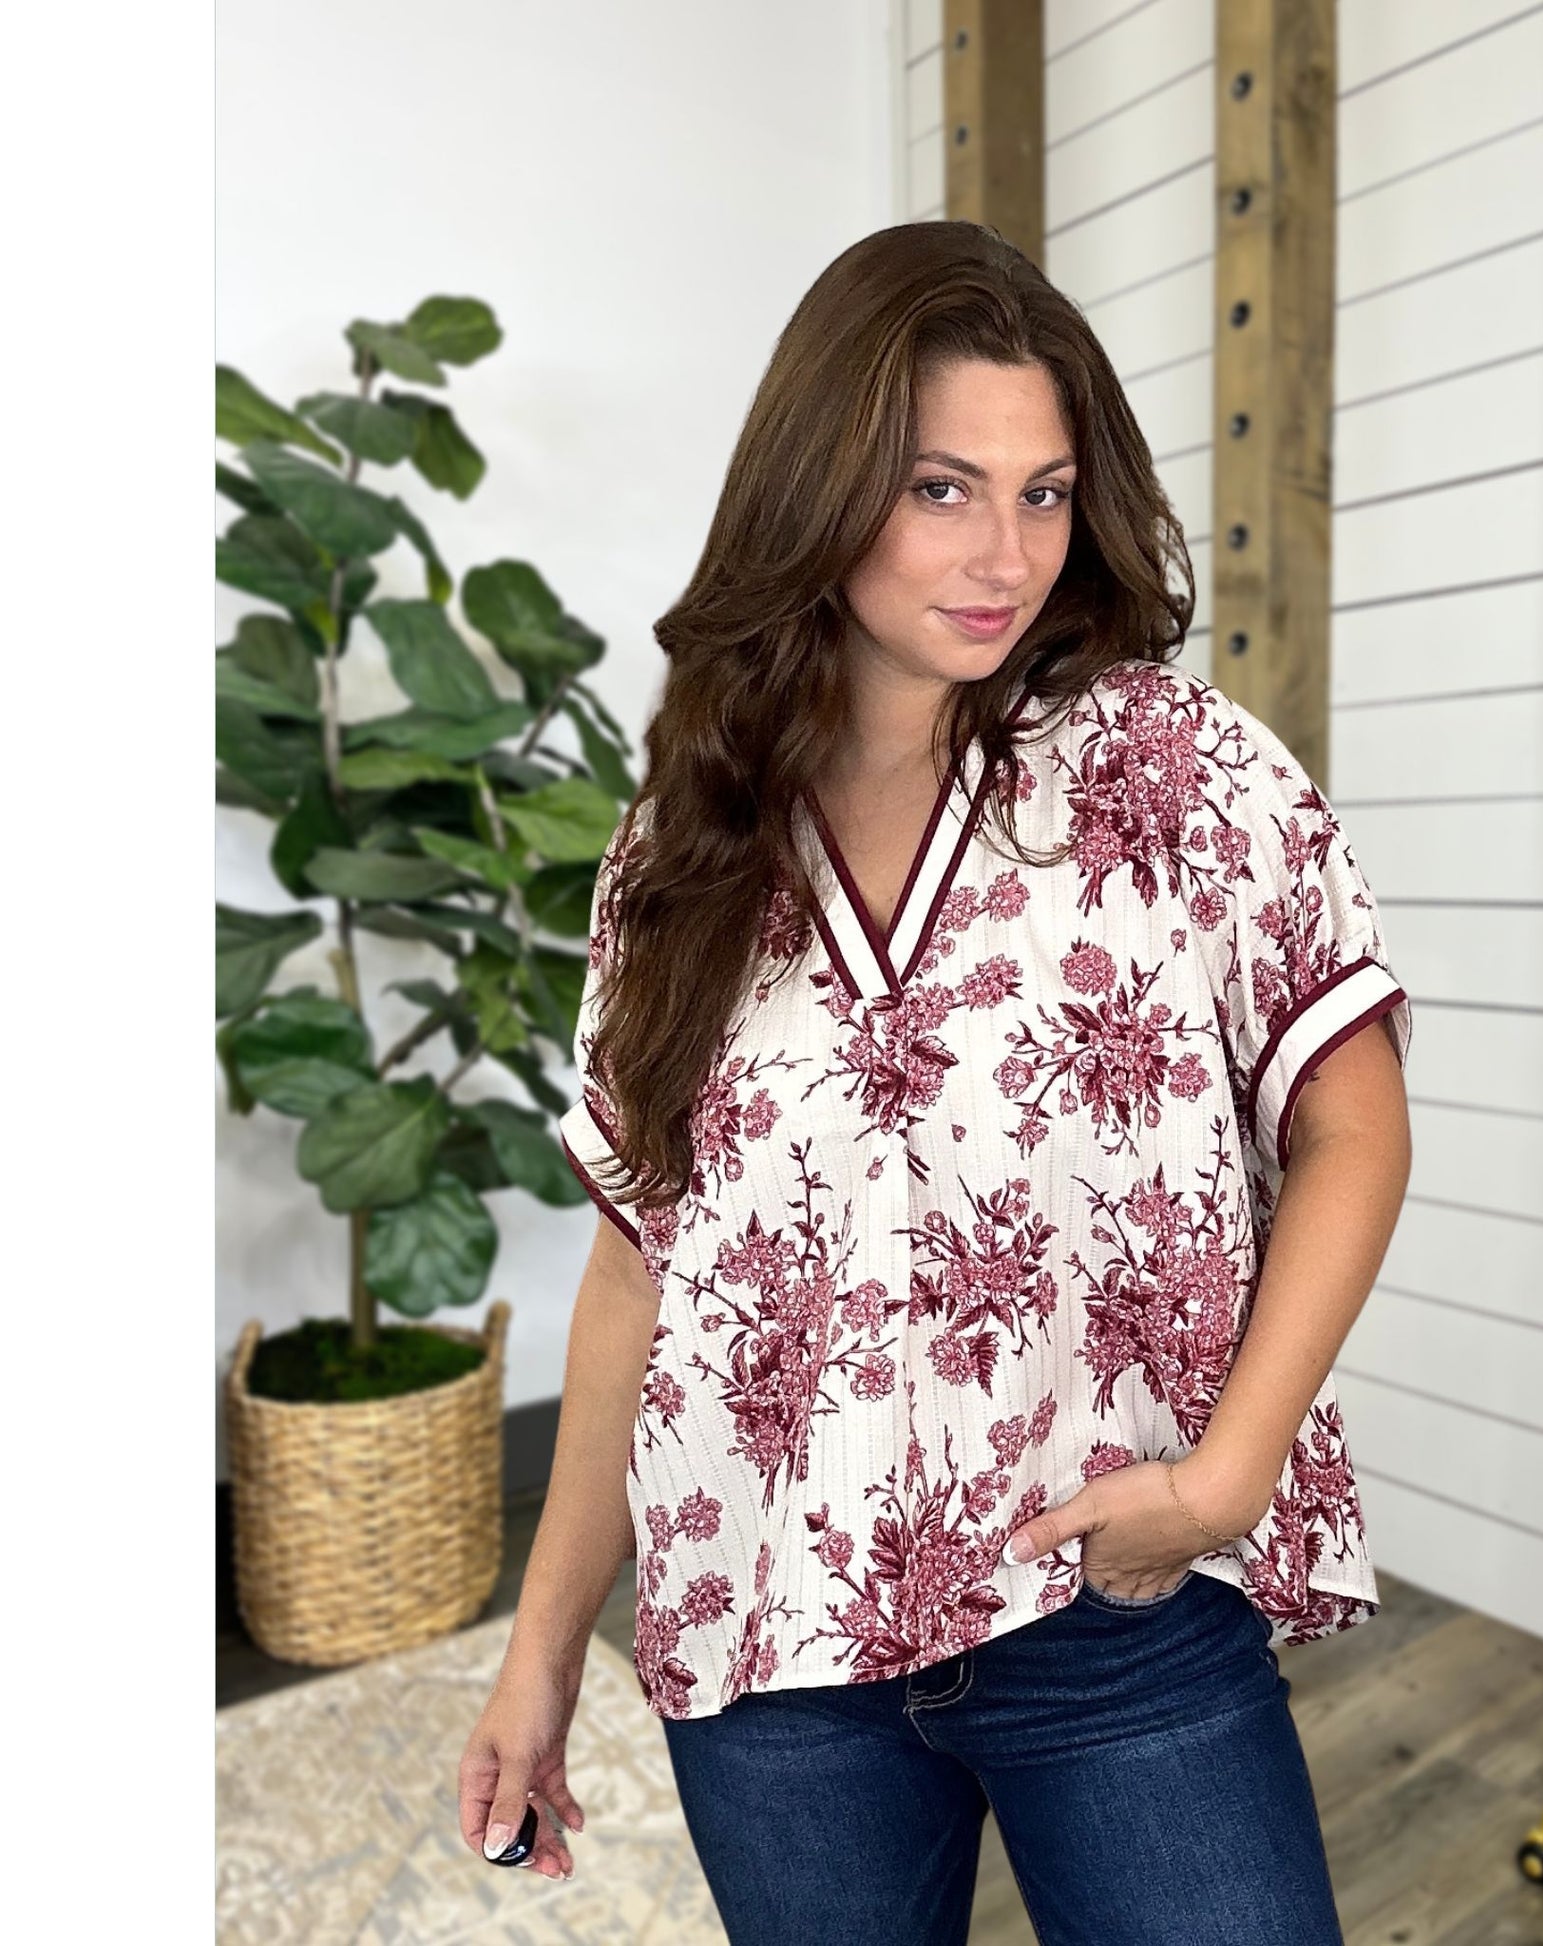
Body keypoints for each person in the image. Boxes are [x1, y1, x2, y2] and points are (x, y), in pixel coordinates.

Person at [459, 219, 1413, 1946]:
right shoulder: (677, 854)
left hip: (1111, 1609)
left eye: (1044, 493)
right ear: (817, 492)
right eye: (940, 489)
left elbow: (1350, 1123)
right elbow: (637, 1267)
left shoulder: (1171, 771)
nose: (1005, 555)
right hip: (770, 1644)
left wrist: (1224, 1481)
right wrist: (538, 1656)